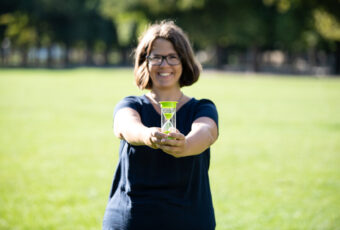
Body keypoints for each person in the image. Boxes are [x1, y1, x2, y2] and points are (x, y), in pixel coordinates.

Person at [102, 20, 219, 230]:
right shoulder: (131, 104)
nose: (164, 64)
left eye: (172, 57)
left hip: (189, 221)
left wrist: (185, 146)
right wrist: (147, 135)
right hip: (132, 220)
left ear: (184, 62)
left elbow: (207, 132)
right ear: (145, 62)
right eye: (156, 57)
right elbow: (125, 126)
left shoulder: (202, 108)